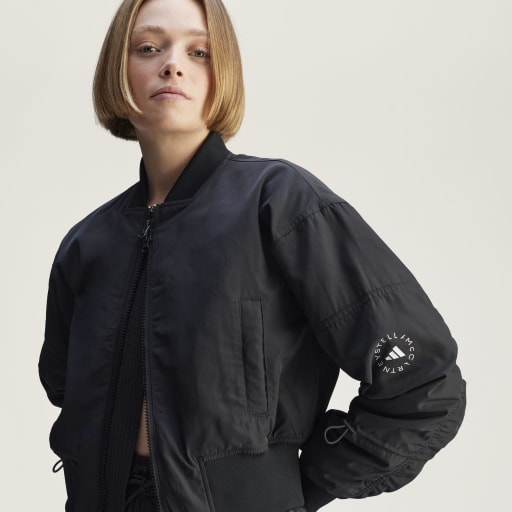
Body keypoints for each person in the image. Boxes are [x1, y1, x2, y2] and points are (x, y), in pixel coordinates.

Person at [38, 0, 466, 511]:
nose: (172, 64)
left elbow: (425, 381)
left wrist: (297, 489)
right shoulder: (88, 244)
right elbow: (67, 392)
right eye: (148, 48)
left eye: (199, 52)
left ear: (224, 73)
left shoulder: (278, 203)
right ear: (118, 68)